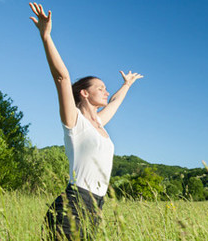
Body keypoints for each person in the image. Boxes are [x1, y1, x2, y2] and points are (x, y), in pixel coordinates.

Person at [28, 2, 143, 240]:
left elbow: (114, 103)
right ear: (84, 93)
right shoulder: (74, 122)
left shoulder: (99, 123)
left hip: (96, 207)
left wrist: (126, 85)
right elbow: (62, 77)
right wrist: (46, 36)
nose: (105, 91)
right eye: (99, 88)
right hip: (73, 203)